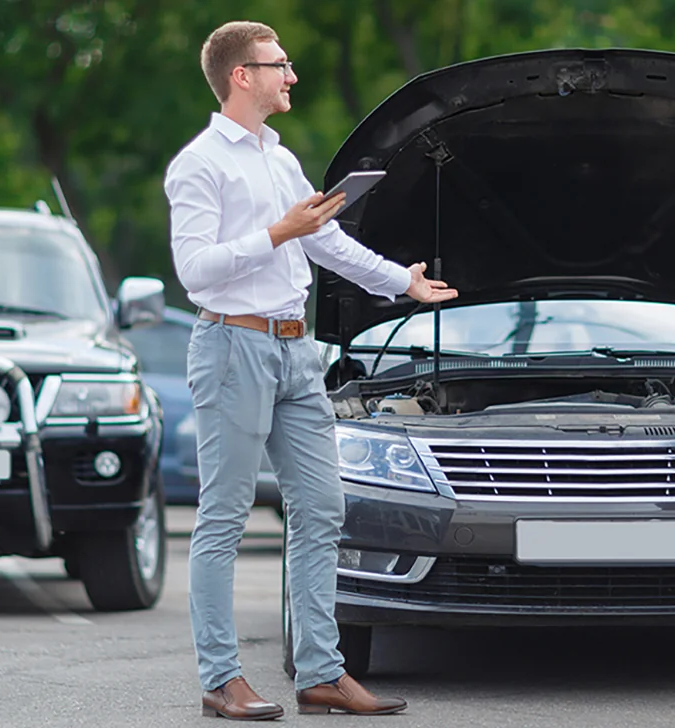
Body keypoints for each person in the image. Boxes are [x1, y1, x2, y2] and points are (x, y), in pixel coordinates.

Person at [163, 20, 457, 720]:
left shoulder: (278, 156)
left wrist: (402, 281)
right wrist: (279, 233)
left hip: (297, 352)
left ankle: (322, 673)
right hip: (233, 346)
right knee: (225, 517)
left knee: (323, 508)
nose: (291, 76)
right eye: (280, 65)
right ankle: (221, 678)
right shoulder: (199, 163)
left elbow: (325, 242)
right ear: (243, 75)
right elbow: (195, 272)